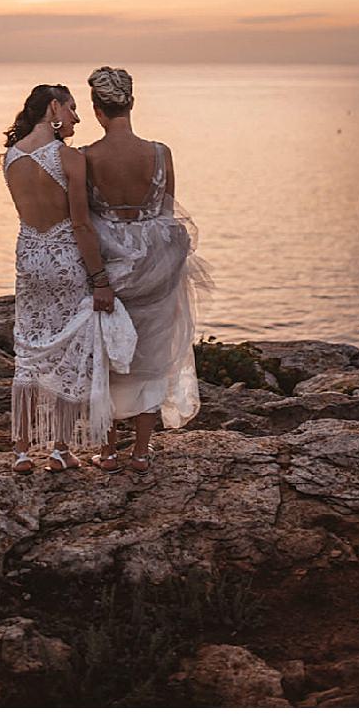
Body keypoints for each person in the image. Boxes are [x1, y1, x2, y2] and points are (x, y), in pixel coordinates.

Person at [81, 66, 212, 472]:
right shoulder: (159, 153)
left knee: (106, 352)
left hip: (109, 262)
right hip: (156, 262)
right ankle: (140, 452)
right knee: (153, 351)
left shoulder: (86, 157)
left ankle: (107, 451)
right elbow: (167, 212)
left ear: (96, 109)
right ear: (132, 103)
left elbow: (83, 217)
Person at [1, 83, 116, 474]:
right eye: (71, 108)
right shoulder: (68, 158)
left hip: (29, 258)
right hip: (66, 259)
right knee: (70, 353)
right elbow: (82, 225)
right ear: (53, 108)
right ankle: (59, 448)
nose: (77, 118)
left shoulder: (9, 158)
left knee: (29, 351)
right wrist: (100, 279)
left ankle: (19, 450)